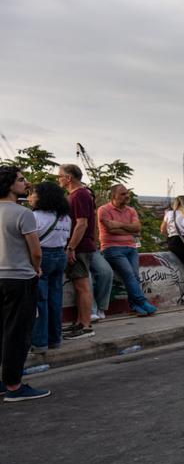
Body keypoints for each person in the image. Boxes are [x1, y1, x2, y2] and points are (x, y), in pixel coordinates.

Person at [0, 166, 48, 402]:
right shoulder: (22, 213)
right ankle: (13, 385)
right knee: (17, 334)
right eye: (21, 179)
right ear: (10, 185)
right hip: (18, 278)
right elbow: (36, 251)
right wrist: (35, 268)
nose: (25, 182)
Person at [57, 164, 113, 339]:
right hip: (82, 246)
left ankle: (86, 326)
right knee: (81, 286)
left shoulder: (79, 194)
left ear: (68, 178)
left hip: (79, 248)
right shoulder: (78, 195)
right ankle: (81, 322)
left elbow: (82, 223)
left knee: (82, 287)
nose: (58, 179)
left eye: (59, 176)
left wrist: (71, 247)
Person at [98, 184, 156, 316]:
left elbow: (137, 228)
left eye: (127, 193)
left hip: (131, 248)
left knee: (134, 276)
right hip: (112, 248)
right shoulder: (104, 210)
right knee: (129, 275)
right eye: (123, 194)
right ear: (114, 196)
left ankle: (135, 305)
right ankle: (142, 302)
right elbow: (109, 229)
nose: (127, 196)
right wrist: (128, 229)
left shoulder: (131, 210)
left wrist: (119, 225)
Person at [29, 182, 72, 354]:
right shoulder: (65, 217)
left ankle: (40, 342)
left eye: (33, 193)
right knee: (55, 299)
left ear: (42, 197)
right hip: (59, 256)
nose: (30, 197)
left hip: (42, 257)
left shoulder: (35, 216)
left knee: (40, 300)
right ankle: (55, 338)